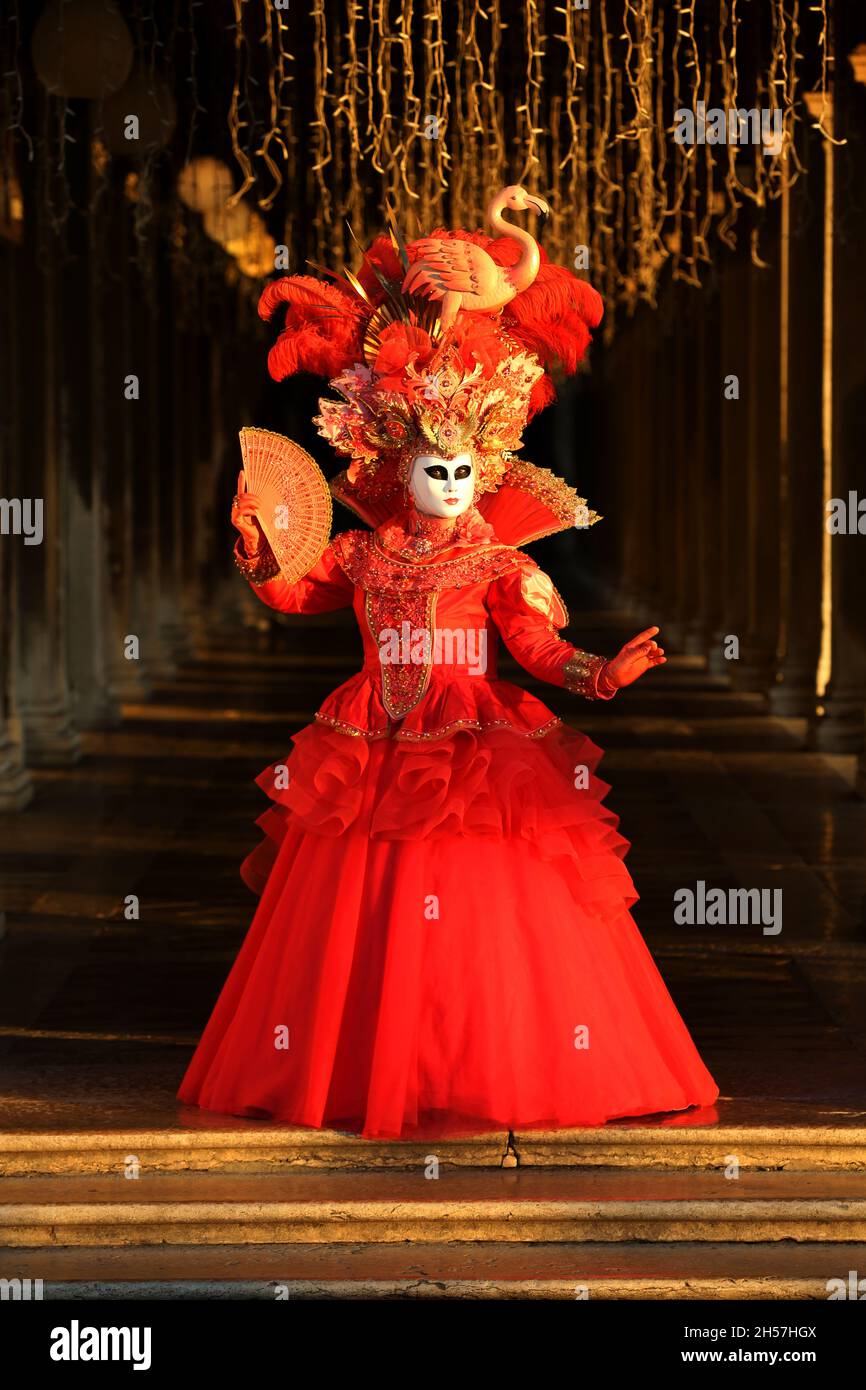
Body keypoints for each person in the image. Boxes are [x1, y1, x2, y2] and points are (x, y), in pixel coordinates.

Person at [178, 190, 718, 1138]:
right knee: (365, 907)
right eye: (436, 469)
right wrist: (261, 546)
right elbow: (299, 594)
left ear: (488, 465)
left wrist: (602, 674)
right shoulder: (363, 551)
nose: (451, 485)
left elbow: (536, 648)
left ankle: (478, 1055)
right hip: (369, 737)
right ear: (397, 463)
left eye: (467, 471)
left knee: (480, 914)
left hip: (474, 737)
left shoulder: (501, 562)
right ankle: (366, 1061)